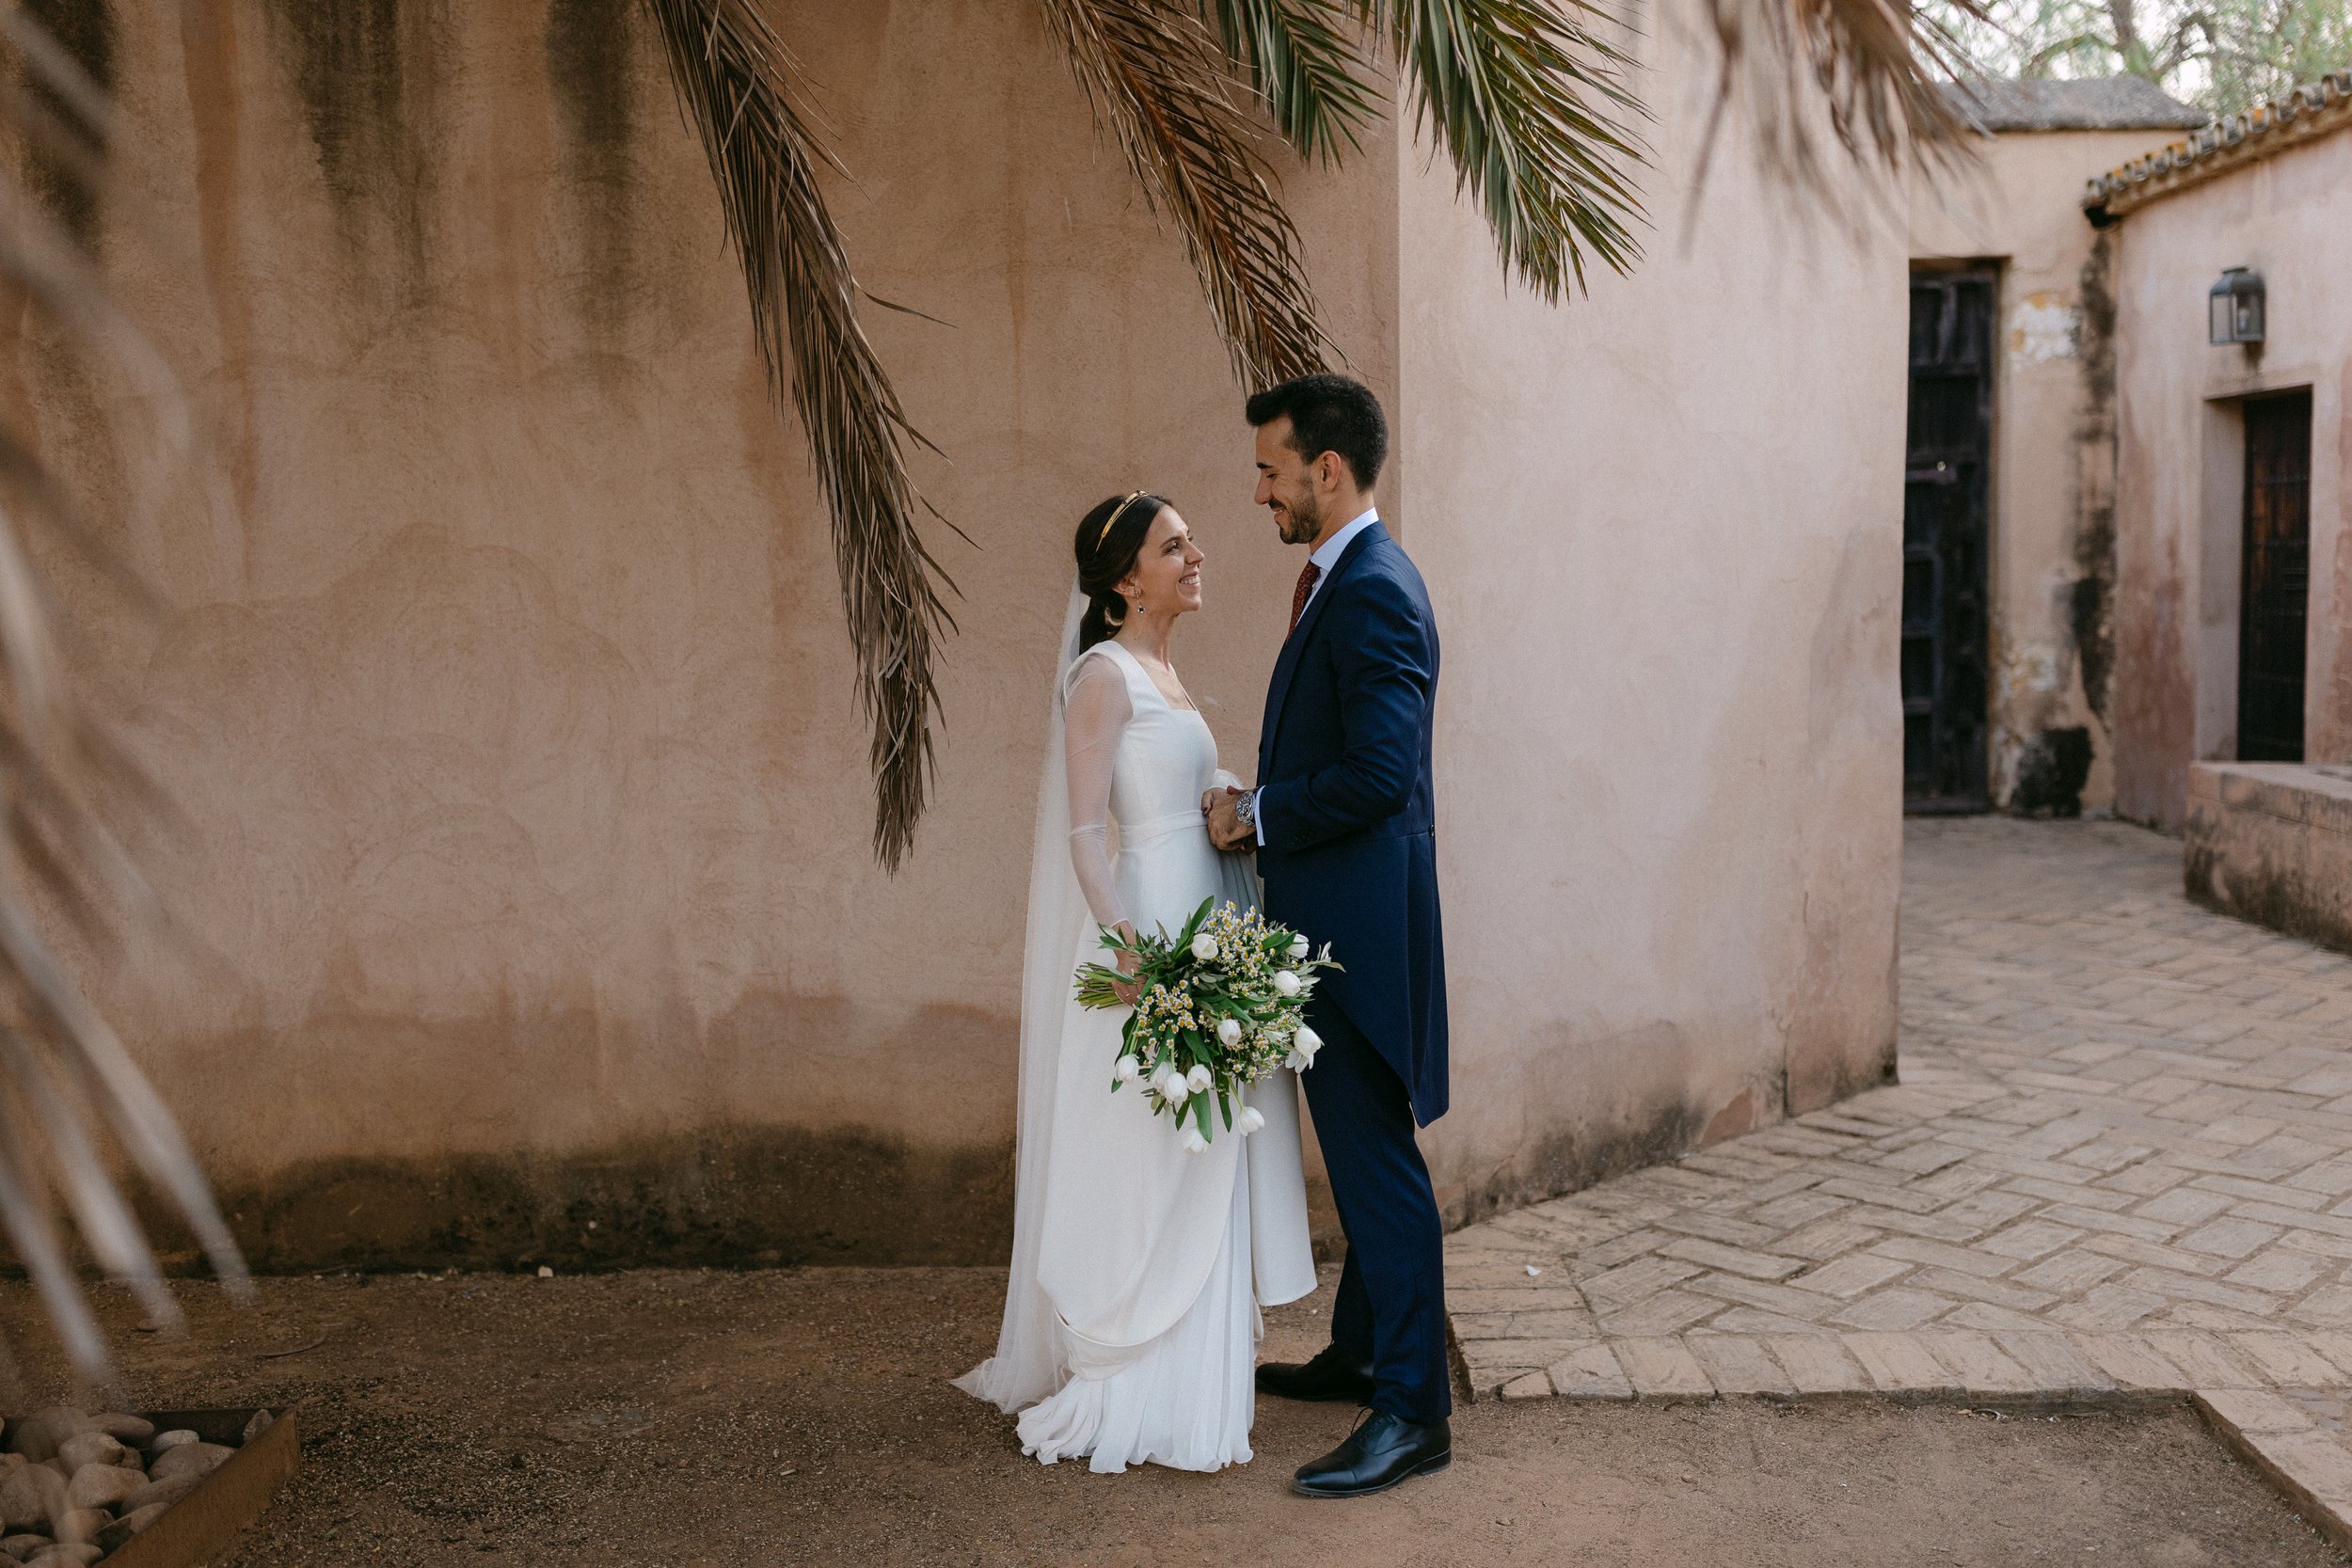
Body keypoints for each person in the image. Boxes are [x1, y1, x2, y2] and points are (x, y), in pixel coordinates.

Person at [955, 492, 1316, 1473]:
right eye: (1172, 546)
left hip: (1206, 914)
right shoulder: (1103, 674)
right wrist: (1125, 944)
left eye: (1188, 541)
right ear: (1124, 579)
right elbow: (1084, 829)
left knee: (1202, 1145)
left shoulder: (1165, 669)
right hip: (1152, 933)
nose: (1195, 554)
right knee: (1158, 1152)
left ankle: (1198, 1373)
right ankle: (1139, 1374)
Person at [1206, 374, 1453, 1499]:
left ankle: (1411, 1408)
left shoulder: (1371, 591)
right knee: (1359, 1155)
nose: (1260, 491)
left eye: (1271, 469)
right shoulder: (1344, 581)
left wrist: (1259, 812)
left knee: (1376, 1163)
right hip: (1335, 925)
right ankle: (1362, 1352)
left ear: (1328, 469)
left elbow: (1378, 774)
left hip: (1353, 939)